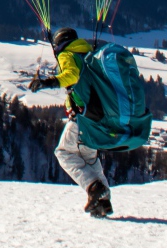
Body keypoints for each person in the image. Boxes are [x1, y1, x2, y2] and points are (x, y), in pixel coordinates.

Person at [28, 27, 112, 218]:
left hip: (82, 118)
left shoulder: (67, 54)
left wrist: (48, 82)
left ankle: (94, 188)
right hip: (101, 118)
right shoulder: (91, 55)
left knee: (64, 152)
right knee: (89, 159)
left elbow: (71, 75)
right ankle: (103, 201)